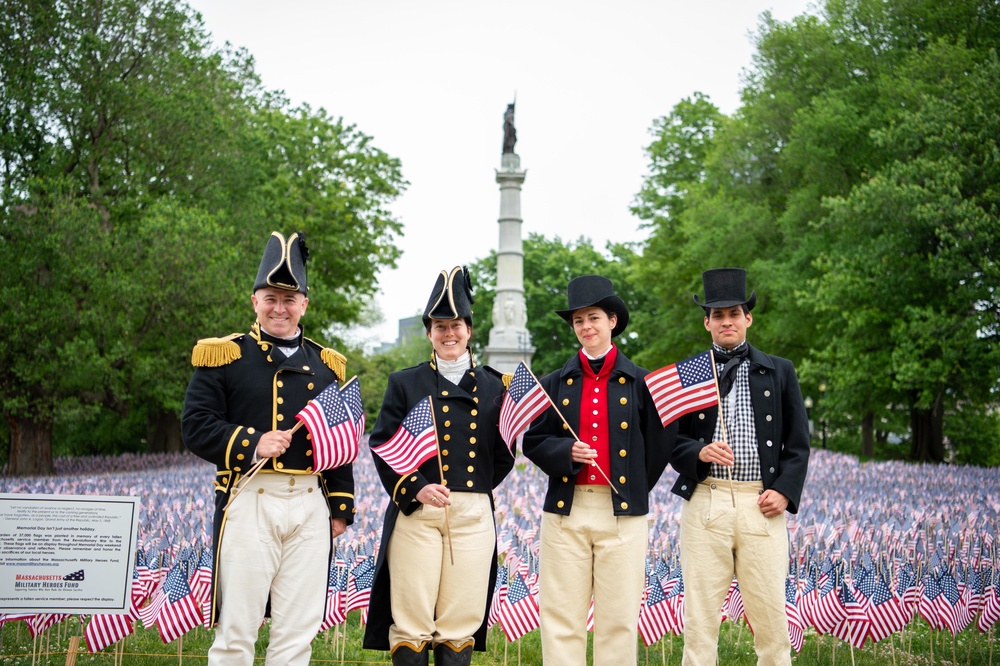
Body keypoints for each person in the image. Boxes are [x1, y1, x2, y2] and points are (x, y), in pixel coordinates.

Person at [182, 231, 354, 666]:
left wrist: (340, 508)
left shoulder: (325, 365)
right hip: (250, 499)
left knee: (297, 633)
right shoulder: (224, 355)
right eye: (270, 298)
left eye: (289, 298)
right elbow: (196, 427)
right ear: (254, 301)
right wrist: (253, 442)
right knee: (236, 630)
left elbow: (341, 440)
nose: (280, 307)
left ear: (304, 305)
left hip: (311, 504)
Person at [363, 266, 516, 666]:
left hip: (472, 515)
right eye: (440, 326)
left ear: (469, 329)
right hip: (418, 512)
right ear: (429, 332)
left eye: (456, 326)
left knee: (459, 624)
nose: (449, 334)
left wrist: (475, 487)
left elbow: (504, 451)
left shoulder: (495, 385)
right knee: (412, 623)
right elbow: (381, 443)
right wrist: (415, 487)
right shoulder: (404, 382)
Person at [522, 275, 674, 666]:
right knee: (561, 617)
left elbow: (660, 445)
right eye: (578, 321)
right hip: (567, 512)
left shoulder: (642, 382)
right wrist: (565, 452)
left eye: (593, 318)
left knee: (619, 619)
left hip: (621, 514)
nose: (586, 327)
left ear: (612, 321)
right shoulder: (556, 382)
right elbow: (533, 441)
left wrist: (633, 488)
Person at [669, 267, 810, 666]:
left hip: (760, 503)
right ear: (706, 322)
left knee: (770, 616)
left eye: (733, 313)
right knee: (699, 618)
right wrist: (697, 452)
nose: (726, 321)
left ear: (748, 317)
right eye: (717, 315)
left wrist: (784, 490)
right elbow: (672, 441)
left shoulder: (779, 370)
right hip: (706, 502)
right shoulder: (689, 372)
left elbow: (798, 443)